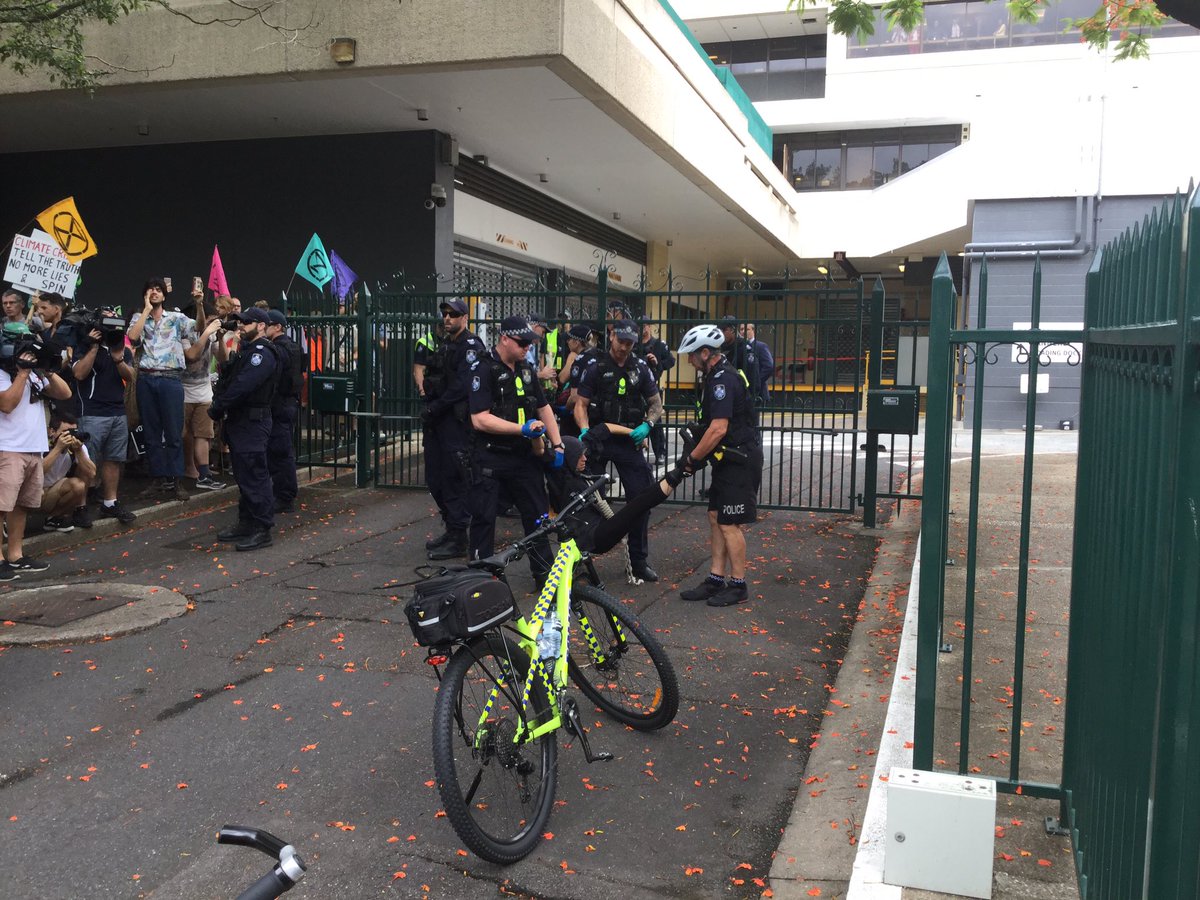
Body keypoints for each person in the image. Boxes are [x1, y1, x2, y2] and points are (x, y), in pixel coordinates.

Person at [467, 315, 565, 588]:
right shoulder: (483, 369)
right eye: (522, 343)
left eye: (530, 343)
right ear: (505, 338)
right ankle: (483, 580)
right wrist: (520, 429)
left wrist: (557, 444)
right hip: (490, 456)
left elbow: (544, 407)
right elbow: (480, 419)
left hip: (523, 457)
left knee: (537, 518)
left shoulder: (525, 369)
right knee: (484, 519)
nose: (527, 348)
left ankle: (544, 577)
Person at [674, 324, 763, 607]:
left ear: (705, 353)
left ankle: (738, 585)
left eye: (691, 355)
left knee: (729, 523)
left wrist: (691, 460)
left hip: (741, 459)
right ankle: (716, 578)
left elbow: (718, 429)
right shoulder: (715, 376)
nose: (689, 360)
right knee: (715, 515)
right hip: (729, 458)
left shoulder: (723, 379)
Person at [575, 318, 663, 583]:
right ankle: (582, 561)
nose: (624, 347)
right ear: (611, 336)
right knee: (589, 502)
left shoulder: (641, 368)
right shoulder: (596, 366)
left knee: (641, 499)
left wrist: (648, 425)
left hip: (629, 439)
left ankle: (639, 561)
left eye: (629, 343)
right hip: (599, 440)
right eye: (621, 341)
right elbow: (580, 404)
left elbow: (655, 403)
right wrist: (583, 430)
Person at [0, 323, 72, 580]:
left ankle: (16, 556)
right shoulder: (3, 373)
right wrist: (20, 374)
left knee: (20, 506)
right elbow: (7, 404)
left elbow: (65, 392)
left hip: (33, 447)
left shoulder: (34, 374)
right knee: (1, 506)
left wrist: (47, 370)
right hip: (7, 447)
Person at [421, 297, 486, 560]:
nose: (447, 318)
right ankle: (451, 528)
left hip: (455, 422)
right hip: (438, 420)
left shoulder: (471, 346)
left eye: (453, 314)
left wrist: (435, 408)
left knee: (453, 479)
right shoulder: (446, 343)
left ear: (464, 318)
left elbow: (460, 387)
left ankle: (459, 537)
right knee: (434, 480)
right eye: (445, 314)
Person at [210, 308, 279, 551]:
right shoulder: (247, 350)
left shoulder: (262, 353)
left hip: (252, 421)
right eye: (240, 322)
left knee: (254, 474)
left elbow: (243, 385)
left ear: (261, 325)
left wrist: (219, 406)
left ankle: (262, 528)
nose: (241, 326)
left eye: (247, 322)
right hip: (241, 421)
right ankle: (247, 522)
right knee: (244, 475)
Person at [127, 277, 198, 501]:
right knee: (151, 432)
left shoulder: (176, 318)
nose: (154, 292)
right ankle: (157, 479)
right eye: (150, 290)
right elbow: (132, 337)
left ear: (164, 295)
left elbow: (199, 328)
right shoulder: (139, 318)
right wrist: (146, 310)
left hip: (170, 379)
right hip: (147, 380)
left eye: (158, 290)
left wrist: (199, 305)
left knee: (174, 431)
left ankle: (176, 480)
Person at [72, 307, 138, 525]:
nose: (110, 327)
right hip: (92, 413)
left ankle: (110, 503)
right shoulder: (84, 345)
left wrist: (118, 359)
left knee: (113, 459)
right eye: (106, 322)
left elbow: (131, 376)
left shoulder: (121, 347)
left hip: (117, 412)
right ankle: (80, 507)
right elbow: (79, 373)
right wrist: (93, 347)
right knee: (87, 460)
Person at [182, 300, 227, 491]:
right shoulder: (184, 334)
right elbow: (191, 355)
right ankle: (187, 467)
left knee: (204, 434)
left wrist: (220, 338)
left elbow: (223, 359)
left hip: (204, 390)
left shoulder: (213, 335)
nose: (213, 324)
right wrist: (207, 333)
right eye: (210, 320)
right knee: (184, 434)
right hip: (183, 390)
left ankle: (204, 473)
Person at [265, 309, 305, 513]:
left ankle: (285, 496)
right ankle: (282, 493)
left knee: (280, 451)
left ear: (278, 327)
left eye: (268, 324)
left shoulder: (280, 349)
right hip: (286, 403)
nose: (264, 327)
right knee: (280, 450)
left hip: (280, 404)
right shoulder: (293, 347)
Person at [40, 411, 96, 532]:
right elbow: (36, 473)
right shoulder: (40, 444)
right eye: (66, 432)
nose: (71, 436)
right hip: (33, 494)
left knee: (78, 486)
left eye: (74, 432)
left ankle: (54, 518)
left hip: (54, 490)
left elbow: (91, 473)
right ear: (52, 431)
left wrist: (79, 451)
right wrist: (58, 448)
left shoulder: (76, 445)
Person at [635, 316, 675, 461]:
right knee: (635, 417)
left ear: (650, 327)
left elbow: (671, 361)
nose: (643, 328)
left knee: (655, 420)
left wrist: (658, 364)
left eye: (645, 325)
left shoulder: (658, 344)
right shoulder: (634, 344)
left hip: (652, 385)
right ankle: (638, 448)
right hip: (636, 385)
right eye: (640, 326)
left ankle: (660, 452)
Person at [718, 315, 760, 409]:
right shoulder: (721, 348)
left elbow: (753, 378)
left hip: (741, 399)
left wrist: (750, 398)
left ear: (733, 330)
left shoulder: (744, 349)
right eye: (720, 330)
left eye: (724, 330)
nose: (721, 333)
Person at [742, 323, 775, 404]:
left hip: (757, 392)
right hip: (742, 390)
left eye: (747, 329)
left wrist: (757, 381)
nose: (743, 332)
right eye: (741, 329)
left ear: (753, 331)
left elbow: (769, 366)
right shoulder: (739, 346)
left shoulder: (761, 346)